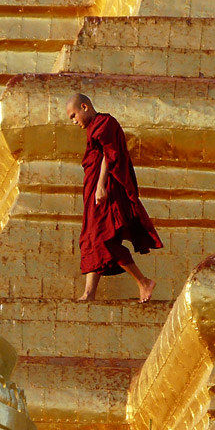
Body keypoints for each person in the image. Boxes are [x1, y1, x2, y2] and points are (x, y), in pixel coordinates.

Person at [66, 93, 162, 302]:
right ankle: (89, 293)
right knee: (92, 238)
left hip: (106, 191)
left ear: (85, 107)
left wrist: (101, 186)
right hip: (94, 194)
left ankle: (143, 282)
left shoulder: (105, 123)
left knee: (104, 239)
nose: (74, 121)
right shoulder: (94, 128)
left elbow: (108, 156)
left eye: (74, 115)